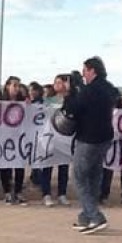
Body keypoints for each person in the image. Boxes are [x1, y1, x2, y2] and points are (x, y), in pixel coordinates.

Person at [63, 56, 118, 234]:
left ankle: (95, 216)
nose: (83, 74)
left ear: (92, 70)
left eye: (85, 70)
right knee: (93, 178)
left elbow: (72, 109)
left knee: (78, 177)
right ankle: (86, 217)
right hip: (104, 137)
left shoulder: (89, 90)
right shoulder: (108, 88)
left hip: (88, 138)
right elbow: (116, 97)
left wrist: (71, 92)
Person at [41, 74, 72, 206]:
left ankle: (62, 194)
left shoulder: (70, 100)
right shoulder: (47, 100)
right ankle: (46, 194)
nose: (58, 85)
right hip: (49, 138)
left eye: (60, 82)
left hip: (64, 138)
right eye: (56, 82)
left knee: (63, 167)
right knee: (47, 166)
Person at [0, 76, 28, 205]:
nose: (16, 88)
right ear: (7, 86)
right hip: (4, 137)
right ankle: (7, 192)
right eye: (14, 85)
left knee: (19, 165)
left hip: (19, 137)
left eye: (18, 85)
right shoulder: (1, 102)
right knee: (5, 166)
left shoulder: (23, 102)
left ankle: (18, 192)